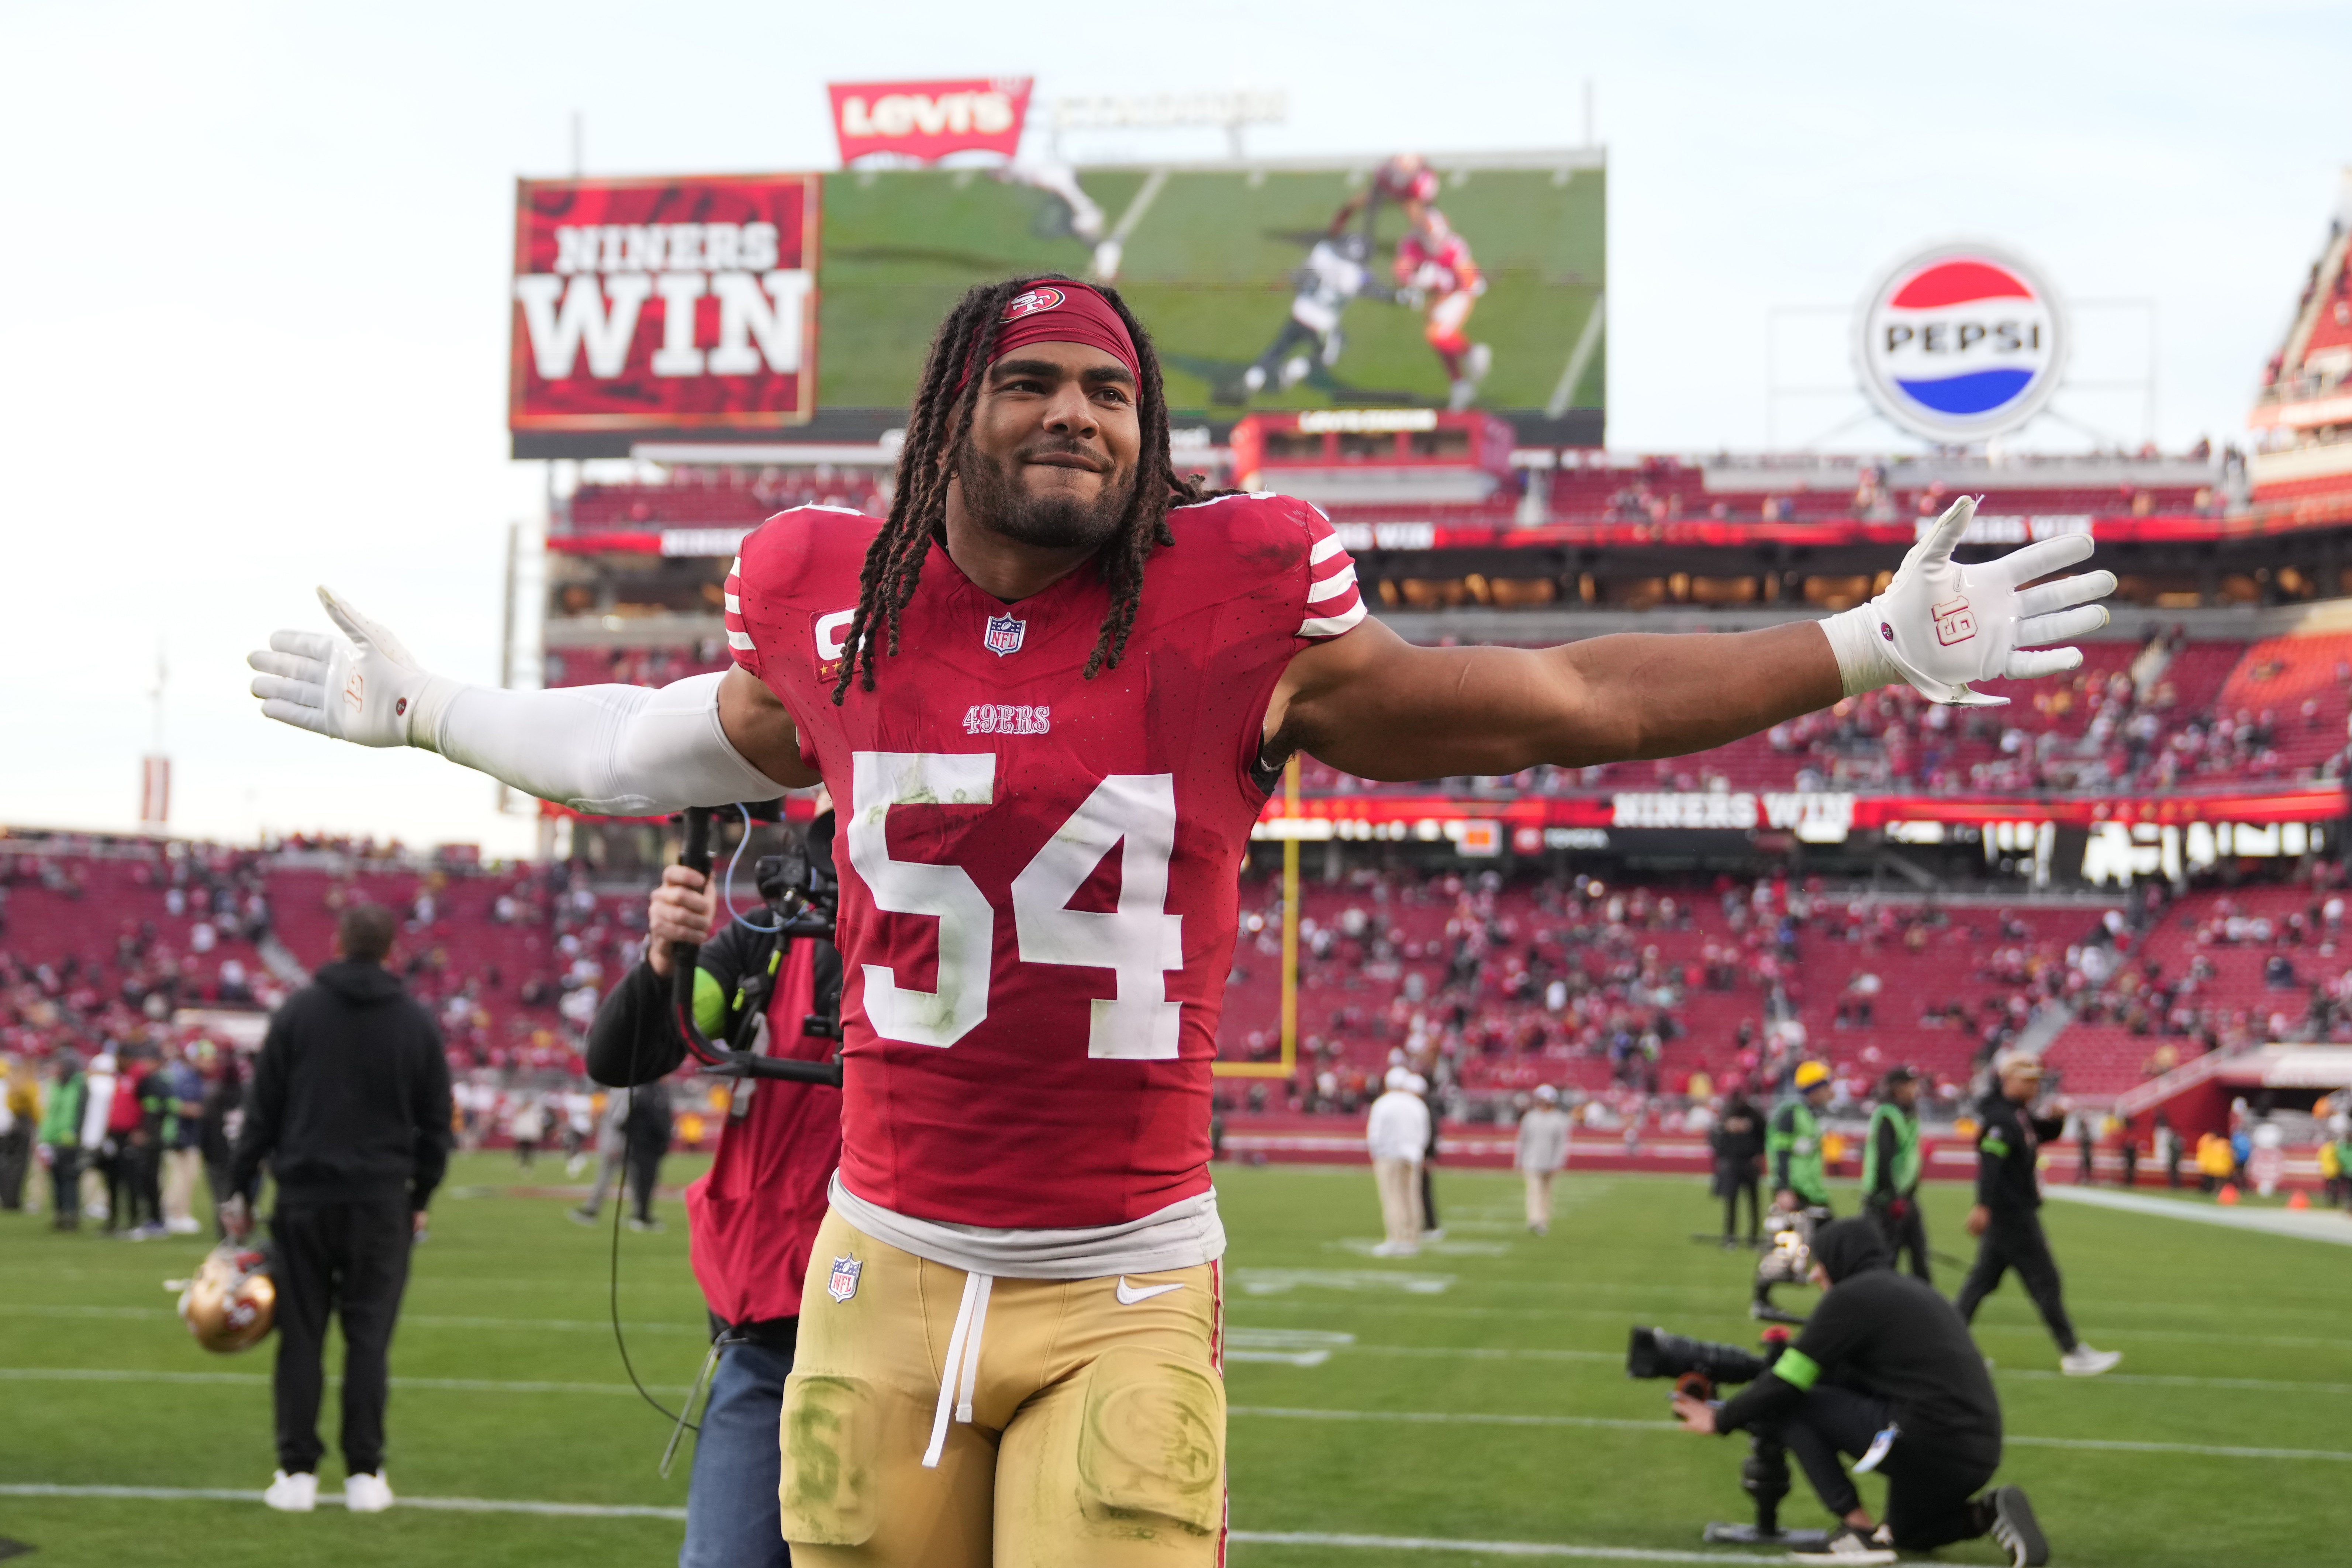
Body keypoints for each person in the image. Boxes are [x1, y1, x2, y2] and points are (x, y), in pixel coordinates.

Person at [246, 270, 2112, 1565]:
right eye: (1036, 383)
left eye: (1112, 392)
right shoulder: (833, 605)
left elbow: (1566, 700)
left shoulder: (1239, 610)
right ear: (947, 419)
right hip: (875, 1269)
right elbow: (645, 751)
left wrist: (1861, 649)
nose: (1077, 412)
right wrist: (427, 714)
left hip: (1126, 1281)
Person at [586, 821, 844, 1568]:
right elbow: (624, 1052)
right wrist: (667, 956)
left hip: (918, 1337)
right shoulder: (768, 938)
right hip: (767, 1335)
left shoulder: (957, 932)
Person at [222, 903, 453, 1515]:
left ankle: (297, 1473)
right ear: (390, 950)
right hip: (381, 1205)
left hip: (302, 1200)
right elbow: (437, 1127)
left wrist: (240, 1189)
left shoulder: (298, 1012)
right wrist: (420, 1197)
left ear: (336, 941)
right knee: (368, 1341)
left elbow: (262, 1110)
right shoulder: (415, 1022)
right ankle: (365, 1475)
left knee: (300, 1339)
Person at [1672, 1220, 2049, 1567]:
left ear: (1842, 1258)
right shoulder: (1912, 1290)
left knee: (1792, 1406)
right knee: (1907, 1534)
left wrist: (1720, 1418)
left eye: (1822, 1260)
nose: (1816, 1272)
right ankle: (1987, 1513)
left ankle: (1858, 1531)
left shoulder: (1853, 1297)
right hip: (1977, 1450)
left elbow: (1788, 1382)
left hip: (1927, 1437)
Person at [1955, 1054, 2119, 1377]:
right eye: (2027, 1080)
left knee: (1981, 1284)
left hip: (2011, 1212)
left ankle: (1944, 1351)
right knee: (2045, 1281)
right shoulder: (2002, 1120)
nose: (2034, 1086)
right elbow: (1991, 1164)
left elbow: (2040, 1134)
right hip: (2011, 1214)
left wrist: (2057, 1120)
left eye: (2036, 1081)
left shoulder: (2016, 1115)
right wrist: (1983, 1205)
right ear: (2008, 1081)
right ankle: (2072, 1352)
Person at [1393, 208, 1491, 410]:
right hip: (1439, 293)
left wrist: (1439, 292)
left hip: (1459, 292)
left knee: (1436, 335)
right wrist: (1413, 282)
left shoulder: (1454, 247)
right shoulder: (1413, 244)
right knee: (1439, 341)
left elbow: (1468, 281)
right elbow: (1401, 269)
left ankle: (1472, 353)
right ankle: (1460, 384)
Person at [1861, 1066, 1930, 1282]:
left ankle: (1927, 1304)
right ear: (1898, 1088)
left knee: (1919, 1254)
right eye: (1911, 1085)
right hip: (1885, 1198)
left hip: (1904, 1197)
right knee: (1886, 1256)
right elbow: (1884, 1161)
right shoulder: (1887, 1116)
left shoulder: (1909, 1115)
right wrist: (1893, 1198)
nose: (1915, 1089)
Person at [1366, 1066, 1430, 1256]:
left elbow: (1374, 1134)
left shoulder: (1383, 1103)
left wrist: (1376, 1154)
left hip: (1389, 1155)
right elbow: (1424, 1133)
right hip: (1413, 1155)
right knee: (1412, 1197)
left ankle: (1397, 1238)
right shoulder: (1417, 1104)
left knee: (1393, 1198)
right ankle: (1412, 1239)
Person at [1769, 1062, 1836, 1216]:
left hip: (1812, 1188)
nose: (1829, 1092)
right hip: (1795, 1188)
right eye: (1826, 1088)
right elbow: (1781, 1152)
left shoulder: (1810, 1114)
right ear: (1814, 1090)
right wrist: (1784, 1188)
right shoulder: (1791, 1113)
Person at [159, 1041, 207, 1234]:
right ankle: (174, 1214)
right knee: (180, 1177)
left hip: (188, 1134)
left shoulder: (193, 1077)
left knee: (187, 1177)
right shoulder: (184, 1077)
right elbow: (178, 1105)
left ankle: (180, 1213)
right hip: (180, 1134)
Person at [38, 1050, 87, 1229]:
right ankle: (60, 1213)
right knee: (56, 1179)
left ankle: (71, 1215)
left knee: (70, 1179)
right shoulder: (54, 1085)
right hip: (53, 1139)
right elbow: (49, 1113)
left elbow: (82, 1113)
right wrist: (43, 1137)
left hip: (70, 1141)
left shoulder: (80, 1086)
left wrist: (76, 1134)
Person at [1515, 1084, 1571, 1235]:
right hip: (1532, 1161)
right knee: (1534, 1191)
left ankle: (1543, 1221)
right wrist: (1519, 1159)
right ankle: (1535, 1220)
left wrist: (1558, 1162)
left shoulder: (1559, 1120)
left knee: (1547, 1194)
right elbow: (1523, 1140)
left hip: (1550, 1162)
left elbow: (1561, 1144)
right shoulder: (1530, 1118)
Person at [1713, 1086, 1765, 1245]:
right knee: (1732, 1203)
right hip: (1734, 1164)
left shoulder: (1754, 1115)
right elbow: (1717, 1139)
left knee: (1753, 1203)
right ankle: (1730, 1237)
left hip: (1750, 1164)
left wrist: (1759, 1154)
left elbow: (1764, 1132)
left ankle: (1753, 1238)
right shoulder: (1726, 1116)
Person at [623, 1077, 673, 1232]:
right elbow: (658, 1121)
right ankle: (641, 1215)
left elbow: (627, 1122)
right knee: (645, 1181)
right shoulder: (653, 1095)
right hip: (648, 1145)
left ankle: (642, 1213)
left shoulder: (646, 1094)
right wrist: (664, 1138)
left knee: (644, 1181)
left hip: (644, 1145)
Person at [0, 1055, 37, 1211]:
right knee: (17, 1164)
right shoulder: (17, 1084)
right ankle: (11, 1199)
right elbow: (32, 1107)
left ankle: (7, 1197)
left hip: (11, 1126)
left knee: (6, 1162)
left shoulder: (10, 1083)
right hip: (16, 1125)